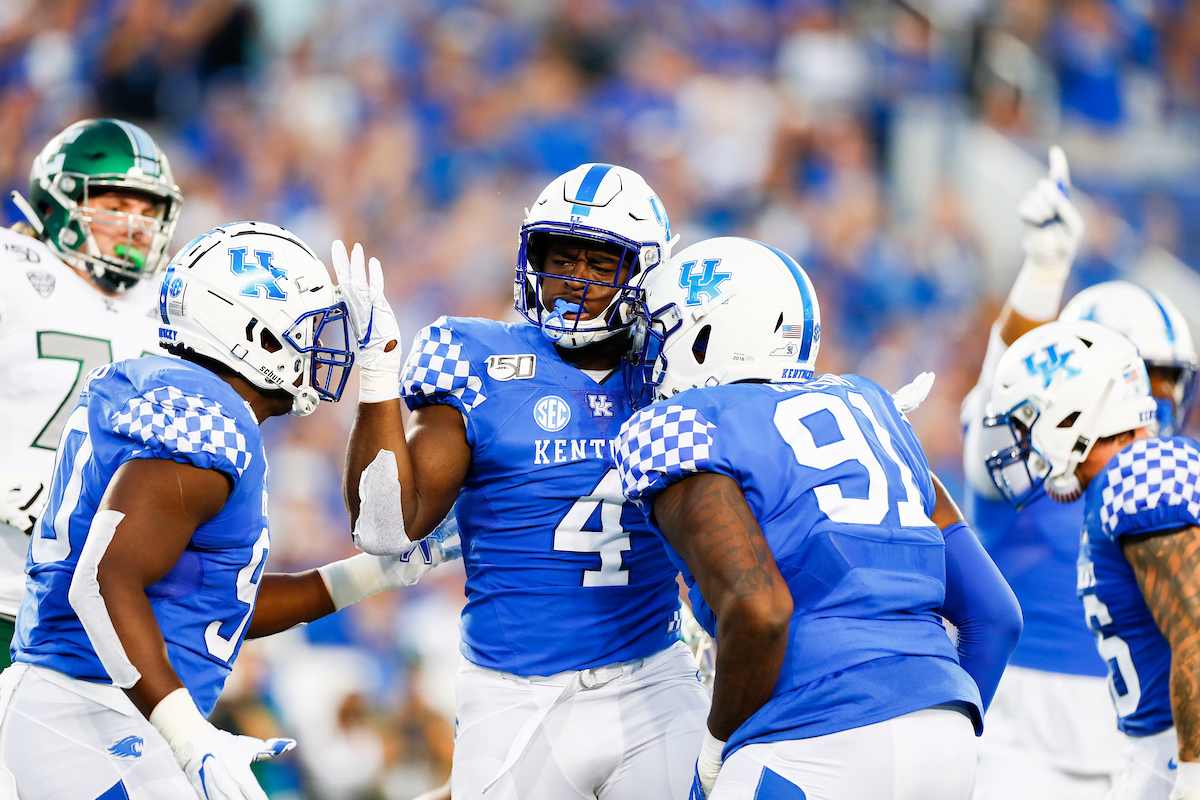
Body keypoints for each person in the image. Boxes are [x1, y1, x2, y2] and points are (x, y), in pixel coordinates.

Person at [0, 222, 455, 799]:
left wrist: (382, 572)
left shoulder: (186, 398)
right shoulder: (208, 418)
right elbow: (102, 582)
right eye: (309, 329)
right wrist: (191, 737)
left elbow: (218, 604)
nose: (325, 348)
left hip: (99, 711)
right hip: (83, 718)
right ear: (254, 336)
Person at [337, 163, 711, 800]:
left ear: (646, 275)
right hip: (513, 695)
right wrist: (376, 377)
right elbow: (385, 528)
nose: (575, 281)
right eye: (561, 258)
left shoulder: (678, 370)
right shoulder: (474, 356)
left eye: (601, 265)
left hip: (655, 680)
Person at [613, 236, 1023, 799]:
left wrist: (714, 755)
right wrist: (926, 725)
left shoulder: (683, 425)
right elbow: (995, 614)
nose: (648, 352)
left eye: (663, 332)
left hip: (814, 739)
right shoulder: (872, 408)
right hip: (947, 738)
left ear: (706, 338)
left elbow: (760, 611)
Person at [961, 147, 1198, 800]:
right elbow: (994, 413)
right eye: (1139, 374)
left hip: (1146, 742)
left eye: (1165, 379)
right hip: (1019, 739)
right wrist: (1043, 274)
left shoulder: (1166, 478)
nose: (1153, 399)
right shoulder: (1028, 457)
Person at [982, 319, 1200, 800]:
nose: (1021, 445)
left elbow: (1197, 630)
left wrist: (1192, 774)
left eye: (1026, 423)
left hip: (1174, 758)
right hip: (1153, 758)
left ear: (1068, 415)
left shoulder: (1143, 472)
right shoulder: (1123, 482)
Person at [0, 118, 185, 671]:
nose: (136, 224)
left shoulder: (175, 314)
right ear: (58, 201)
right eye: (117, 203)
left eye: (149, 210)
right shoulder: (12, 269)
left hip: (87, 619)